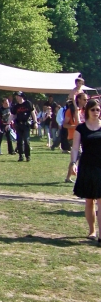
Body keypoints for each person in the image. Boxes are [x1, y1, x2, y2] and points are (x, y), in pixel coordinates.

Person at [70, 98, 101, 242]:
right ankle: (92, 230)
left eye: (98, 109)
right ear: (87, 111)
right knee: (89, 201)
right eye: (93, 109)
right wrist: (73, 163)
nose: (96, 112)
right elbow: (75, 147)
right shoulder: (81, 128)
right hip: (87, 166)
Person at [65, 92, 88, 183]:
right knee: (79, 155)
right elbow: (65, 124)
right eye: (84, 99)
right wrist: (75, 127)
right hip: (73, 136)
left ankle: (68, 177)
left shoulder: (86, 111)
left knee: (76, 157)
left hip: (84, 136)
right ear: (79, 100)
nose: (86, 101)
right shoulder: (70, 111)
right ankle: (80, 177)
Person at [11, 92, 37, 162]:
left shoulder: (28, 103)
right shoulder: (16, 106)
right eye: (16, 96)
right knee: (19, 141)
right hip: (19, 125)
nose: (17, 97)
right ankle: (20, 155)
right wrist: (8, 123)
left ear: (22, 96)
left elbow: (33, 113)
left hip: (26, 124)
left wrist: (35, 122)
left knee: (26, 140)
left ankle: (27, 156)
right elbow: (12, 115)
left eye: (18, 96)